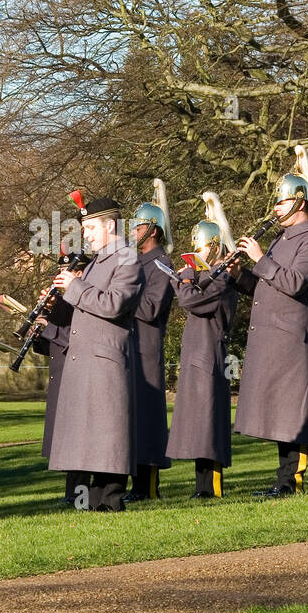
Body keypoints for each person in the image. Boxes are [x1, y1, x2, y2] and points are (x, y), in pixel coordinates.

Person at [231, 164, 308, 497]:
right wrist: (236, 274)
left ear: (299, 203)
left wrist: (259, 258)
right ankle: (281, 480)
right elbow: (263, 285)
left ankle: (292, 481)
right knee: (278, 410)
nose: (274, 208)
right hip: (271, 334)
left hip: (291, 336)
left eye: (280, 202)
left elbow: (294, 282)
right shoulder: (280, 239)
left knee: (294, 411)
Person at [47, 196, 144, 512]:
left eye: (90, 227)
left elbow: (114, 304)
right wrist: (59, 302)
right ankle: (90, 501)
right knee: (91, 434)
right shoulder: (96, 261)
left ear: (110, 225)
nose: (85, 233)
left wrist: (74, 288)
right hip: (85, 357)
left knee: (109, 434)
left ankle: (110, 501)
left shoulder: (127, 258)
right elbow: (86, 305)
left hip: (105, 358)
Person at [167, 197, 238, 498]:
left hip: (211, 352)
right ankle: (201, 486)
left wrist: (183, 281)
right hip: (196, 351)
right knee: (198, 420)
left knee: (210, 419)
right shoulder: (204, 276)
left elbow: (190, 300)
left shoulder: (221, 278)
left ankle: (212, 486)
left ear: (213, 246)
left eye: (200, 248)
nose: (196, 254)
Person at [124, 197, 174, 503]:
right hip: (129, 347)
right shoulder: (135, 262)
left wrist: (124, 295)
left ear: (153, 230)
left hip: (147, 347)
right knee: (131, 420)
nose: (134, 232)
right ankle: (136, 484)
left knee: (148, 420)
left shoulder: (161, 264)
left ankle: (148, 485)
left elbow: (152, 307)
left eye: (139, 226)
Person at [29, 276, 86, 506]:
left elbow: (77, 338)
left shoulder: (84, 303)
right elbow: (53, 346)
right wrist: (38, 331)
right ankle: (71, 494)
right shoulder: (65, 303)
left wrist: (49, 327)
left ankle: (80, 495)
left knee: (78, 440)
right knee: (66, 440)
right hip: (61, 375)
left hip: (77, 376)